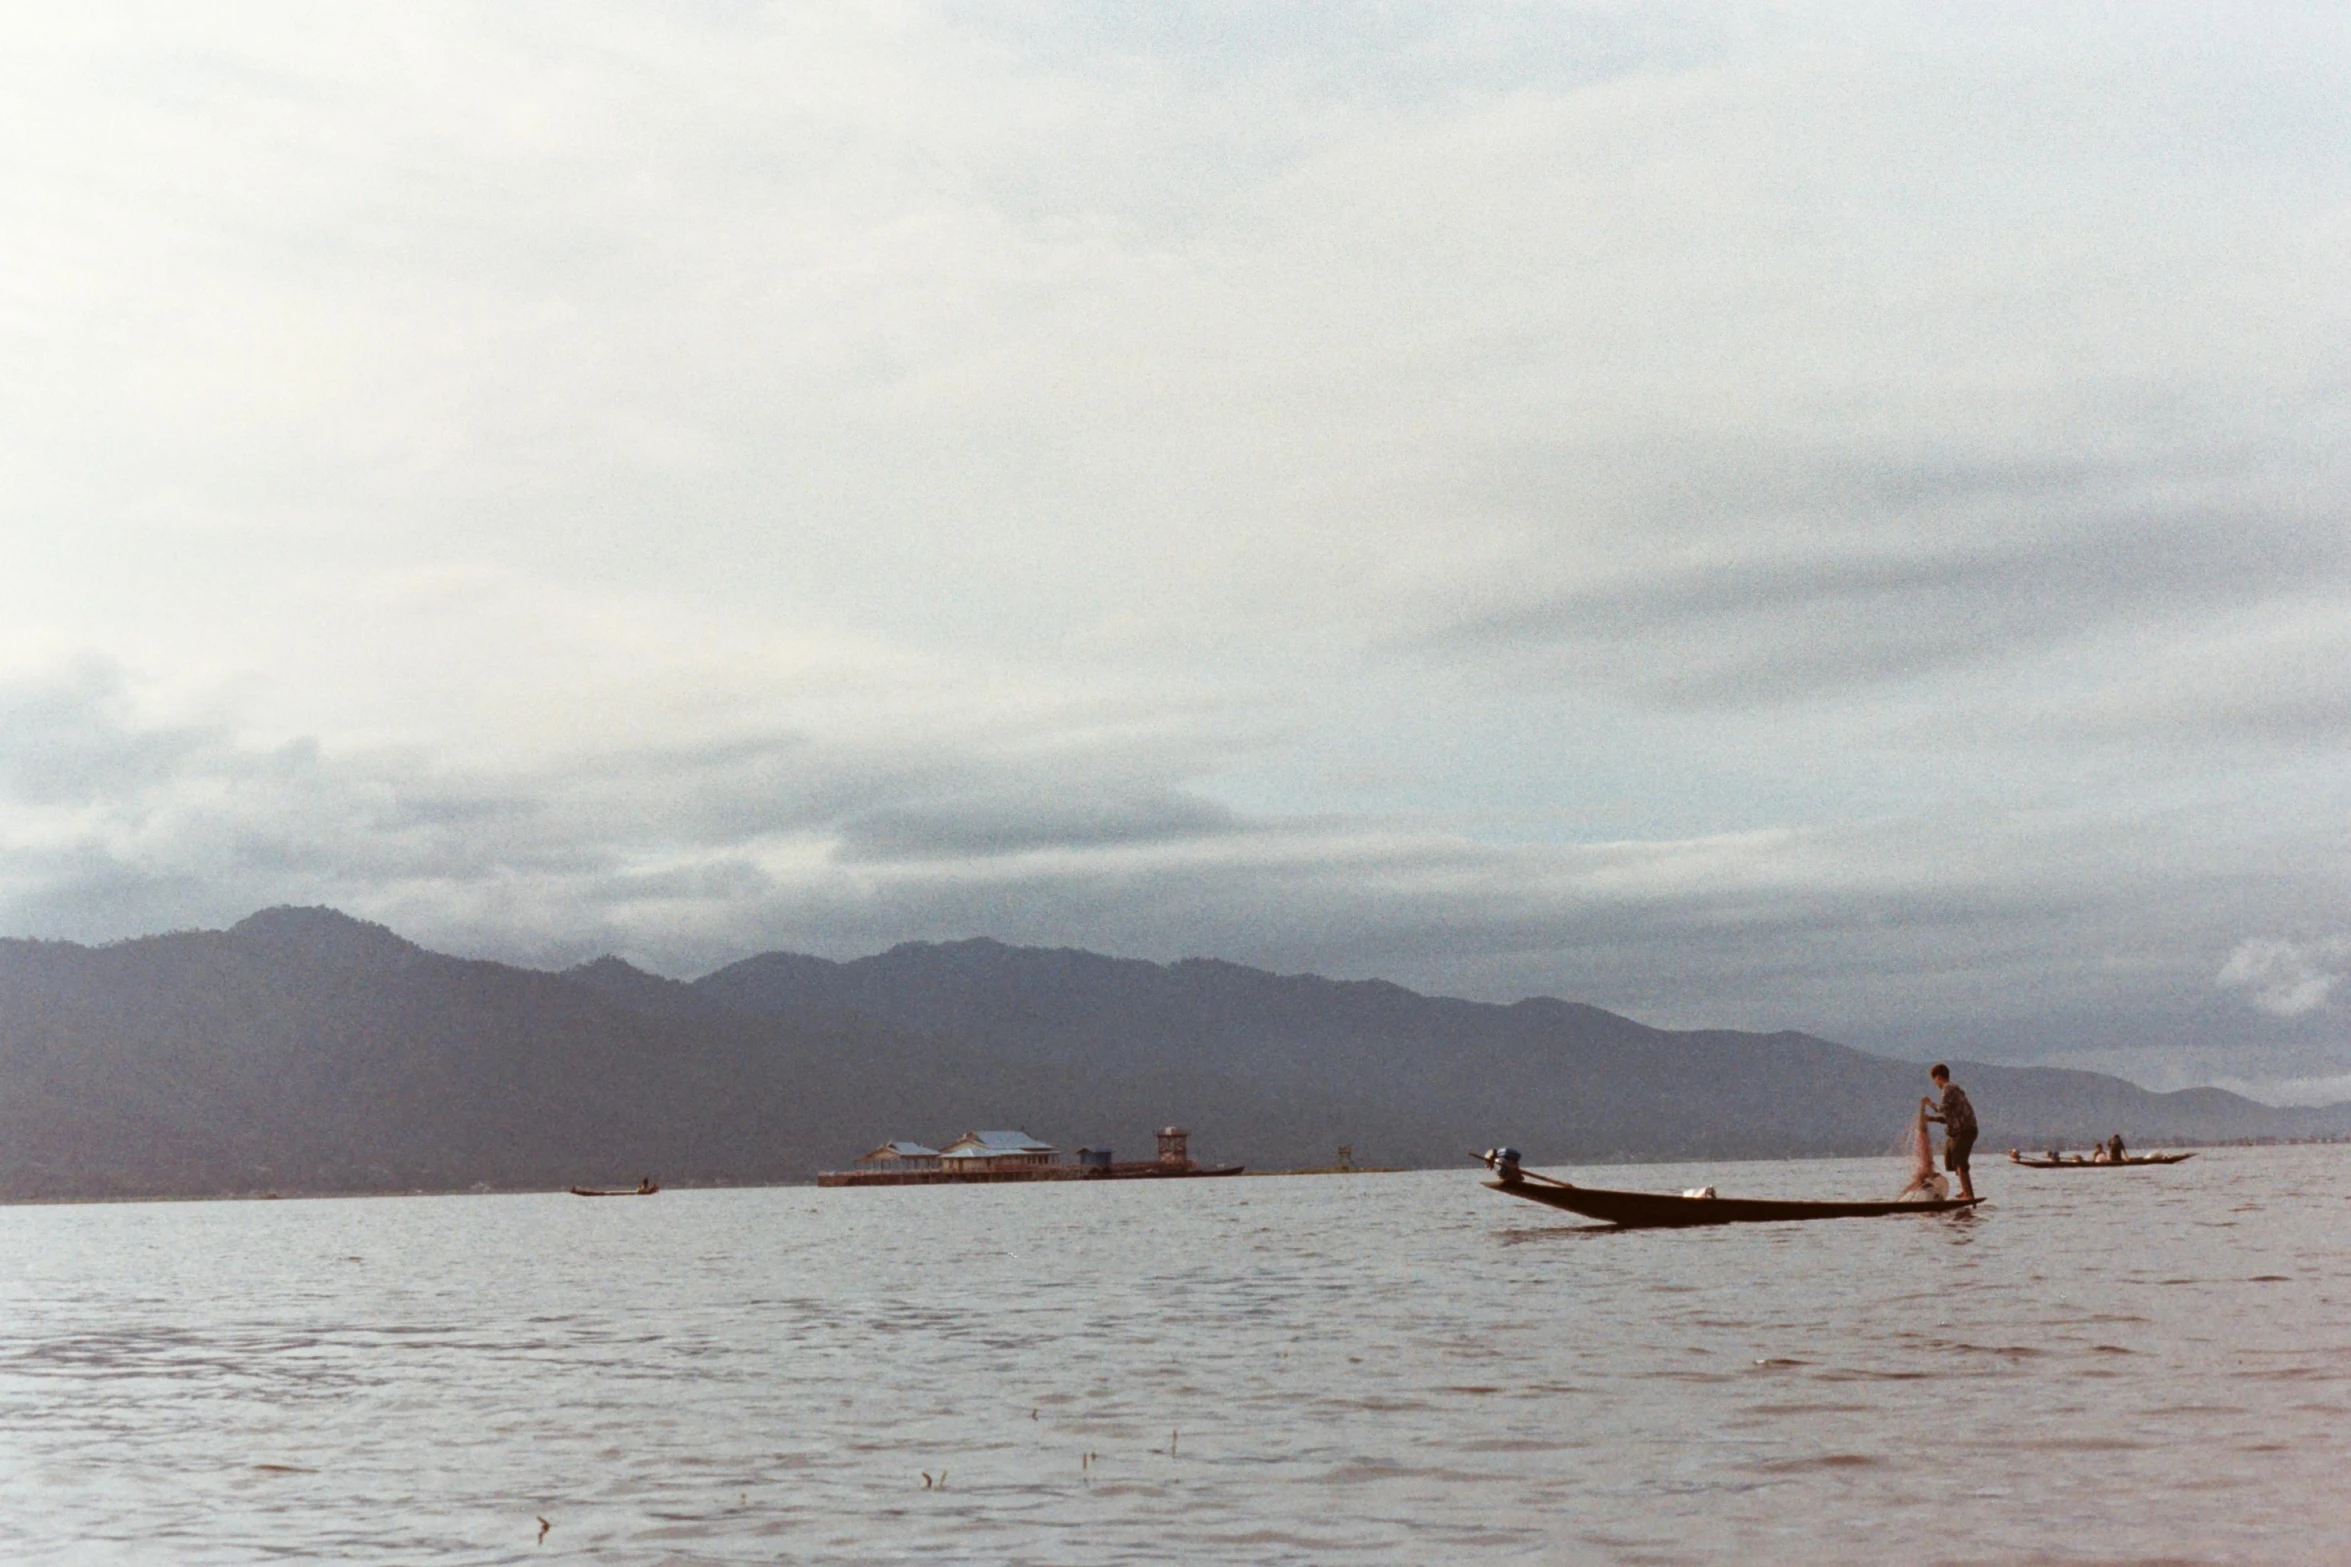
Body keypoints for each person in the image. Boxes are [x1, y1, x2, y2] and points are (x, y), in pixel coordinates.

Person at [1921, 1064, 1977, 1202]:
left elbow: (1942, 1109)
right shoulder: (1951, 1090)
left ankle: (1968, 1194)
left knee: (1960, 1162)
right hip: (1958, 1131)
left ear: (1938, 1077)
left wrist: (1929, 1104)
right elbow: (1948, 1117)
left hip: (1965, 1130)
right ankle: (1965, 1191)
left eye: (1935, 1080)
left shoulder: (1948, 1089)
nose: (1935, 1084)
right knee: (1951, 1160)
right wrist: (1931, 1119)